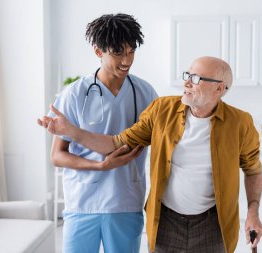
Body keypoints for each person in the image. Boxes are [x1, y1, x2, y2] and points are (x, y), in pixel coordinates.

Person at [39, 56, 262, 253]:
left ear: (219, 88)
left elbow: (252, 170)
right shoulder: (161, 110)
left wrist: (253, 211)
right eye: (188, 75)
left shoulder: (240, 123)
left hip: (213, 225)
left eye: (196, 78)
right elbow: (115, 143)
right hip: (166, 222)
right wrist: (71, 132)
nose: (186, 82)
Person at [45, 13, 158, 253]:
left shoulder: (146, 93)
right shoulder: (74, 94)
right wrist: (100, 166)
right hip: (82, 203)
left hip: (125, 202)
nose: (127, 60)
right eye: (118, 52)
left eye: (131, 51)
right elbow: (57, 156)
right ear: (98, 52)